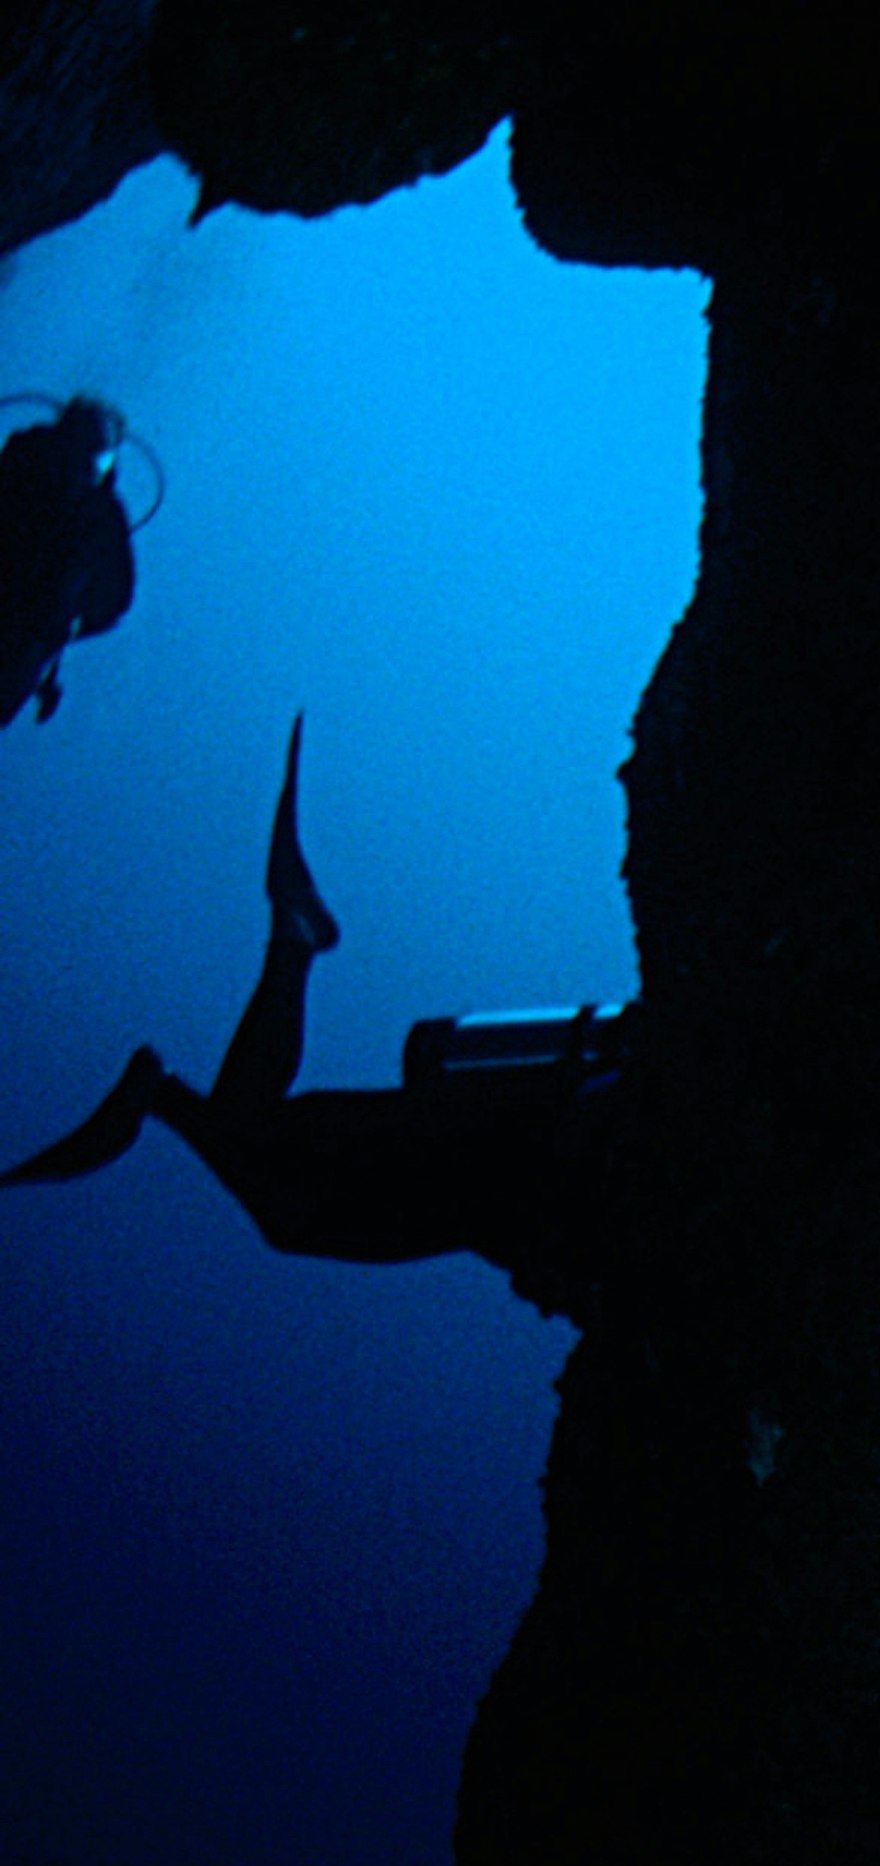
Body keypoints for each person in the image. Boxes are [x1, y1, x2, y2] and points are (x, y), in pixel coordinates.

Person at [2, 718, 623, 1305]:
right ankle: (248, 990)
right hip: (500, 1146)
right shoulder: (654, 1130)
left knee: (274, 1175)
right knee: (280, 1190)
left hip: (495, 1156)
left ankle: (282, 953)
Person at [0, 396, 137, 723]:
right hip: (23, 645)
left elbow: (114, 599)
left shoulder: (17, 465)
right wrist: (67, 626)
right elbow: (114, 600)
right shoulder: (101, 511)